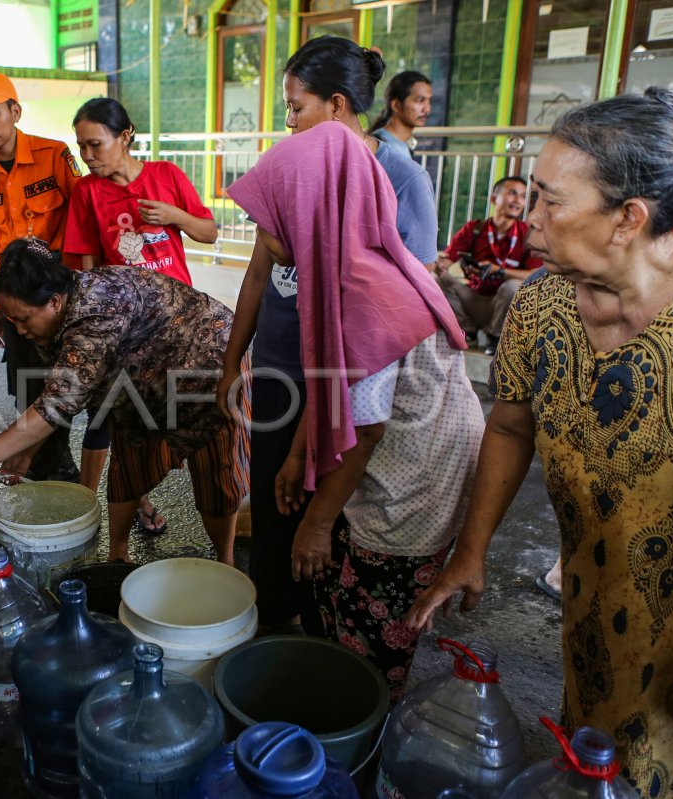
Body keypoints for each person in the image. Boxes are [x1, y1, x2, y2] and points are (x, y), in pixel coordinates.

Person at [408, 89, 673, 792]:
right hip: (591, 595)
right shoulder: (539, 304)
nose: (528, 220)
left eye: (549, 201)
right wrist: (472, 551)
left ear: (629, 219)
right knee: (591, 750)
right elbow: (509, 422)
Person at [223, 119, 483, 698]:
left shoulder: (363, 294)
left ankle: (369, 715)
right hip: (404, 438)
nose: (260, 227)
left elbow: (364, 430)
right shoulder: (350, 264)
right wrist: (299, 454)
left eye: (274, 211)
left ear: (314, 211)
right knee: (342, 581)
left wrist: (314, 527)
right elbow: (336, 385)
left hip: (414, 468)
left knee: (375, 598)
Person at [218, 36, 441, 639]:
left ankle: (324, 631)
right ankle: (274, 622)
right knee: (272, 501)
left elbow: (388, 305)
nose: (289, 122)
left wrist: (307, 442)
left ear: (337, 104)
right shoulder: (293, 164)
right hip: (281, 362)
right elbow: (261, 268)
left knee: (328, 504)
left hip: (349, 373)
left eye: (297, 107)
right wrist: (234, 358)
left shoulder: (395, 176)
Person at [0, 239, 249, 566]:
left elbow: (56, 406)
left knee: (214, 478)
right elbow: (58, 392)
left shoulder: (96, 313)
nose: (18, 331)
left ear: (52, 302)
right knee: (129, 467)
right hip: (140, 384)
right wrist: (26, 450)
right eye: (13, 322)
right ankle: (117, 558)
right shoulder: (59, 313)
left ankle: (226, 561)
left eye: (23, 319)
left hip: (210, 369)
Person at [65, 96, 218, 533]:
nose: (88, 157)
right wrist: (95, 330)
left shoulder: (166, 175)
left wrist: (175, 215)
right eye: (81, 148)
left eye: (96, 144)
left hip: (179, 324)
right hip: (125, 330)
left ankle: (190, 506)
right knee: (113, 417)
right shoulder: (87, 192)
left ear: (125, 136)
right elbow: (87, 265)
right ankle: (92, 509)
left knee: (179, 416)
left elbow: (208, 232)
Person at [0, 70, 81, 481]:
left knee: (63, 380)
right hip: (14, 305)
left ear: (15, 111)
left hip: (56, 300)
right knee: (26, 382)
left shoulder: (54, 155)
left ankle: (53, 464)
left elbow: (81, 217)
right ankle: (43, 462)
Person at [435, 176, 543, 354]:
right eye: (512, 193)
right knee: (438, 279)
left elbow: (534, 273)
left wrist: (499, 271)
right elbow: (447, 258)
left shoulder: (526, 234)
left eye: (523, 196)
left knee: (513, 286)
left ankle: (496, 338)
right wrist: (442, 265)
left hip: (501, 304)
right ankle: (465, 330)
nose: (518, 201)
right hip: (473, 298)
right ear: (494, 199)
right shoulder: (475, 228)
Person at [368, 70, 432, 155]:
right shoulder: (377, 146)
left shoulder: (404, 145)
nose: (427, 109)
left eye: (429, 101)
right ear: (396, 105)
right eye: (420, 100)